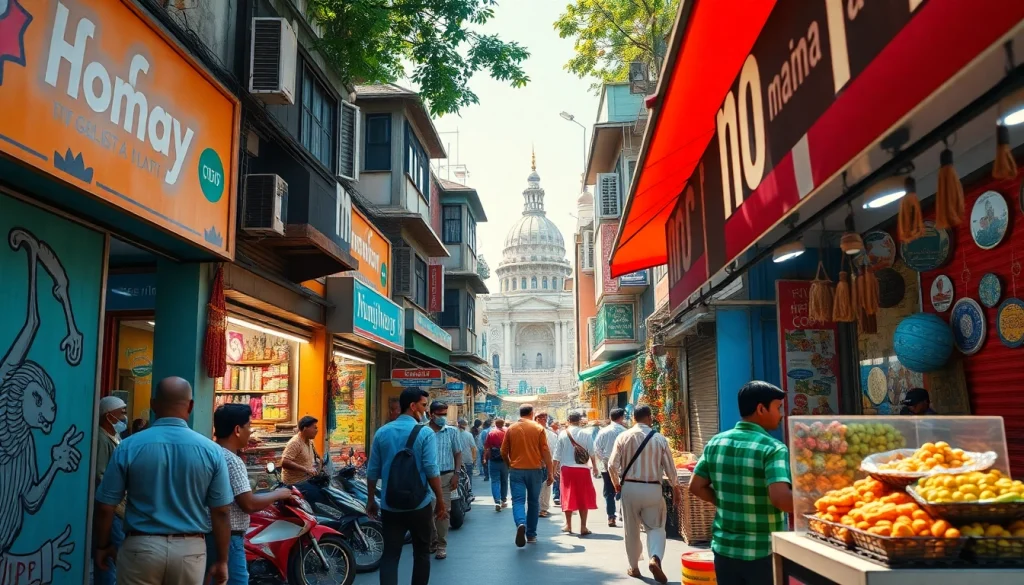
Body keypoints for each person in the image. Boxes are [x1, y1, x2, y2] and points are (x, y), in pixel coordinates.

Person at [94, 377, 234, 585]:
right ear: (191, 406)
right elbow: (221, 511)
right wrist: (222, 560)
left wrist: (103, 546)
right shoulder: (211, 451)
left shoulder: (128, 447)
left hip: (141, 548)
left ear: (153, 404)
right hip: (190, 551)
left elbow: (106, 506)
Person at [689, 381, 792, 585]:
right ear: (761, 409)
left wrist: (726, 502)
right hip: (762, 552)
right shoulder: (773, 449)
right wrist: (818, 504)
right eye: (778, 408)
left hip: (724, 551)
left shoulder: (716, 442)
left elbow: (696, 486)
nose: (781, 415)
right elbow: (781, 499)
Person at [366, 388, 446, 585]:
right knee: (421, 553)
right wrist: (440, 500)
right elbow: (431, 469)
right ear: (412, 406)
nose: (425, 410)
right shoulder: (425, 433)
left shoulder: (382, 432)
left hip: (390, 504)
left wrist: (370, 499)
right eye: (424, 405)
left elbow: (372, 470)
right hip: (420, 505)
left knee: (390, 554)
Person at [208, 404, 294, 584]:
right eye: (249, 426)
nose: (251, 431)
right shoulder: (232, 461)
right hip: (230, 538)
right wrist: (278, 494)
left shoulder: (211, 453)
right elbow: (249, 504)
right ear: (237, 430)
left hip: (210, 536)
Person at [608, 405, 679, 583]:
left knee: (631, 529)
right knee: (656, 527)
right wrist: (676, 487)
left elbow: (611, 465)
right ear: (649, 417)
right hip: (653, 488)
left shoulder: (623, 436)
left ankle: (634, 567)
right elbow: (670, 468)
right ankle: (655, 557)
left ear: (634, 418)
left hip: (630, 488)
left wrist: (616, 484)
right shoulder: (659, 439)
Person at [501, 404, 554, 546]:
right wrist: (550, 472)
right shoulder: (538, 428)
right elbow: (545, 452)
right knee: (533, 502)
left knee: (518, 501)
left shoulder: (511, 428)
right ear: (532, 414)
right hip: (535, 470)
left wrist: (509, 464)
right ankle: (531, 535)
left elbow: (503, 451)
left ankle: (520, 523)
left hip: (516, 470)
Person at [93, 396, 128, 585]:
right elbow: (100, 475)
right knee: (111, 554)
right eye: (121, 413)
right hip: (111, 507)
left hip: (118, 506)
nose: (124, 417)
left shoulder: (114, 436)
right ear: (108, 416)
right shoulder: (101, 438)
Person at [553, 411, 600, 535]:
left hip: (566, 470)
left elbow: (557, 455)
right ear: (580, 420)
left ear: (568, 421)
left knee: (567, 496)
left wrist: (553, 471)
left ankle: (568, 525)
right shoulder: (586, 433)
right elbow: (592, 452)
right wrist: (595, 467)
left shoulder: (563, 433)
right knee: (583, 497)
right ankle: (583, 527)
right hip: (583, 469)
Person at [427, 402, 462, 560]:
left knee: (443, 512)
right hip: (426, 478)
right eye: (440, 414)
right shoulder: (423, 431)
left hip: (446, 476)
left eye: (444, 414)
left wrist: (456, 474)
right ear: (431, 414)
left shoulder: (452, 432)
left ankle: (441, 546)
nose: (443, 417)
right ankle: (432, 539)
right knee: (427, 512)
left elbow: (457, 454)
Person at [595, 408, 628, 527]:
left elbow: (597, 449)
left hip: (607, 467)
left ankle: (611, 517)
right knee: (624, 490)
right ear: (622, 417)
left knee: (609, 492)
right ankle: (623, 514)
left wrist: (606, 460)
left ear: (610, 417)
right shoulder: (625, 432)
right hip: (623, 467)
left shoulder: (603, 432)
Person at [281, 415, 319, 485]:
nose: (317, 430)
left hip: (307, 481)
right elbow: (285, 462)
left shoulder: (310, 442)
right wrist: (306, 470)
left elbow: (315, 458)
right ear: (305, 428)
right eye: (315, 428)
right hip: (295, 484)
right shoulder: (295, 443)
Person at [534, 412, 558, 518]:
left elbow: (554, 451)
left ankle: (542, 508)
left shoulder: (551, 434)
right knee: (540, 486)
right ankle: (540, 508)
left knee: (545, 486)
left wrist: (554, 467)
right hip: (536, 464)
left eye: (544, 418)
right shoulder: (531, 432)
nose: (542, 419)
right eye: (540, 418)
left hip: (545, 464)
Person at [485, 418, 510, 510]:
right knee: (504, 480)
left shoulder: (491, 433)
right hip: (505, 460)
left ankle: (497, 501)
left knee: (495, 481)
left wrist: (485, 459)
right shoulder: (507, 432)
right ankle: (503, 500)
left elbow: (487, 447)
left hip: (494, 460)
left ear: (495, 424)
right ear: (503, 424)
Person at [550, 419, 562, 505]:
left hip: (558, 458)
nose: (558, 425)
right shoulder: (549, 433)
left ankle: (557, 496)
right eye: (556, 423)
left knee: (557, 477)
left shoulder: (560, 433)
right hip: (552, 458)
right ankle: (556, 495)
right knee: (555, 476)